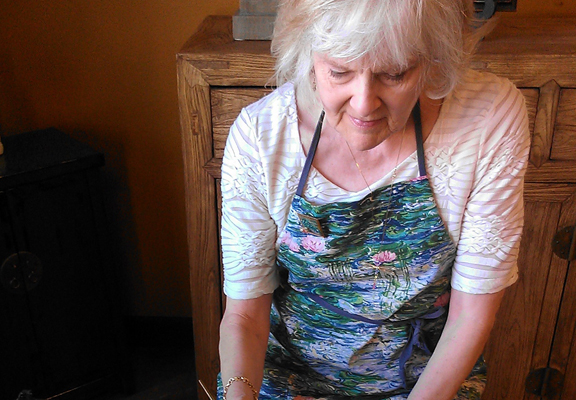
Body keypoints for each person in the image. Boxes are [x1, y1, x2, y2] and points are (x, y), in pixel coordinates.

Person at [218, 0, 530, 399]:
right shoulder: (260, 136)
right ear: (308, 56)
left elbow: (470, 317)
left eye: (394, 74)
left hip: (422, 378)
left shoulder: (487, 118)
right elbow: (244, 316)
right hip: (284, 375)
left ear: (432, 60)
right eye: (339, 72)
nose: (364, 103)